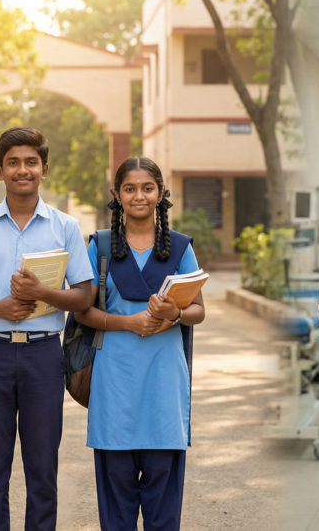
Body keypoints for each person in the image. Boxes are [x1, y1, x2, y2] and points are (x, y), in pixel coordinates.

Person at [0, 126, 93, 531]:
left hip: (44, 356)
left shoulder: (65, 226)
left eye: (31, 162)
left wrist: (42, 291)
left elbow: (84, 296)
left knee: (42, 469)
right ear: (0, 170)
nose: (22, 170)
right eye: (13, 163)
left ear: (44, 169)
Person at [72, 157, 205, 531]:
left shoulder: (180, 248)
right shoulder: (99, 247)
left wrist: (173, 315)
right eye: (129, 188)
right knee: (117, 505)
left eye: (148, 188)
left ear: (161, 194)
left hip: (164, 386)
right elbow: (83, 312)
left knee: (163, 506)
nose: (139, 195)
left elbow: (198, 310)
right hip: (114, 384)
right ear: (116, 195)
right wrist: (129, 322)